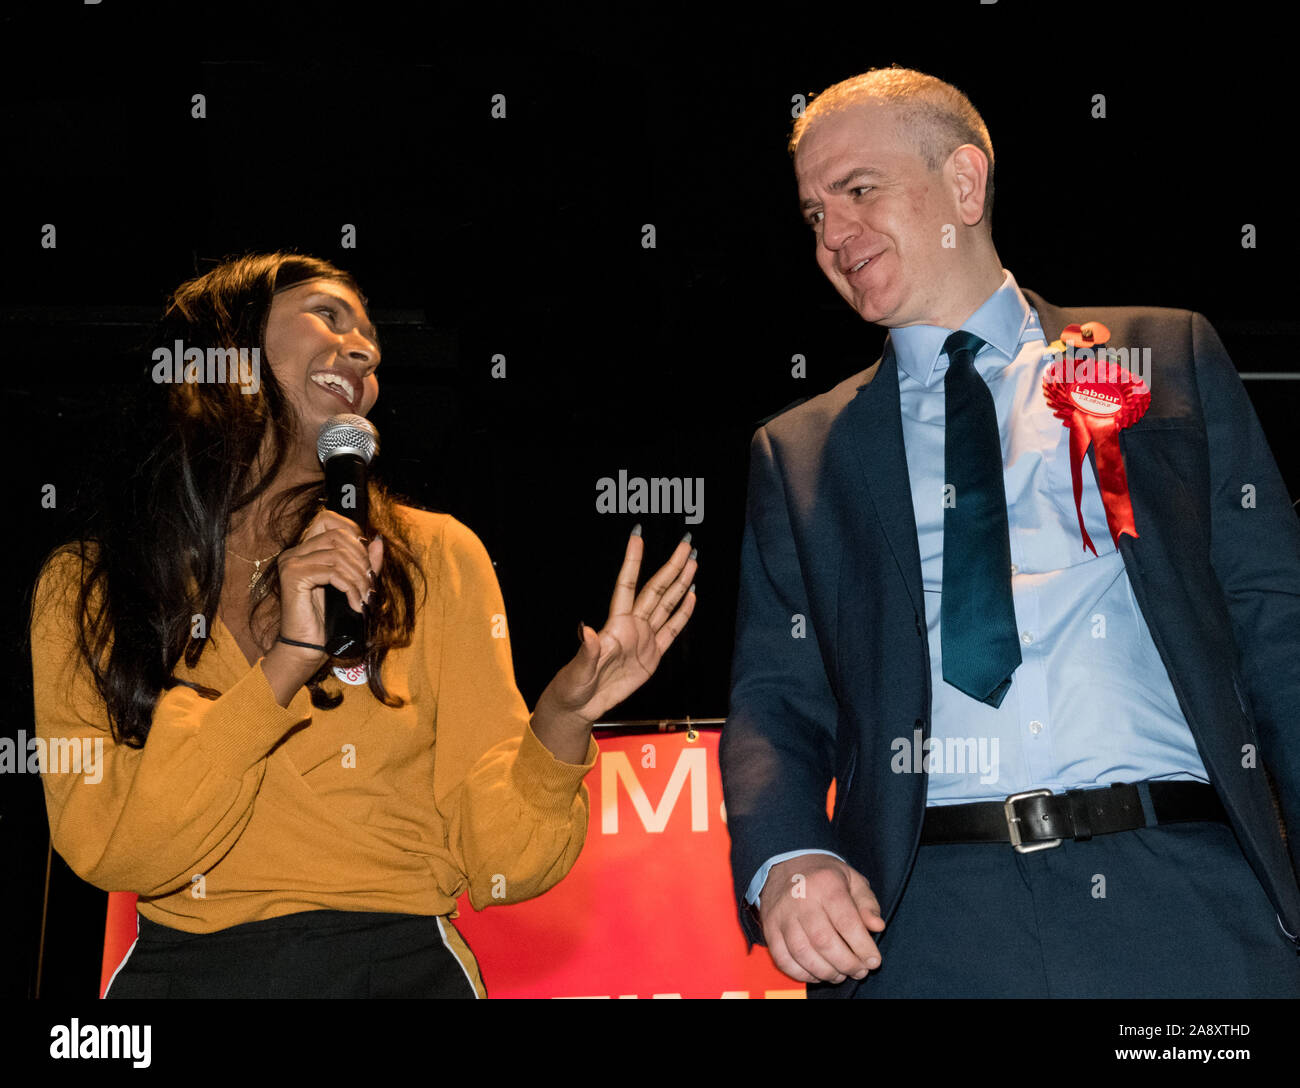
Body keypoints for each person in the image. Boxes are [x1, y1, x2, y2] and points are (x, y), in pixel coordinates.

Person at [719, 67, 1300, 998]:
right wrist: (788, 856)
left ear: (964, 183)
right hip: (928, 920)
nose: (834, 234)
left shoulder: (1161, 353)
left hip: (1186, 894)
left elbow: (1278, 630)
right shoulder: (799, 451)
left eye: (858, 191)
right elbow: (776, 699)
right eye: (813, 214)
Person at [29, 251, 698, 998]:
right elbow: (112, 847)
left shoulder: (436, 555)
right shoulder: (91, 586)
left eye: (370, 337)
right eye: (329, 316)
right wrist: (286, 663)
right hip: (186, 972)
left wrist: (561, 720)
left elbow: (502, 861)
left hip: (400, 967)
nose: (366, 349)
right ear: (229, 352)